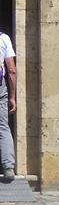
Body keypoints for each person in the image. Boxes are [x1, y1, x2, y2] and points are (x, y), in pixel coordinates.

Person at [0, 29, 16, 182]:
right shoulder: (3, 38)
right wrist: (12, 97)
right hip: (0, 88)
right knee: (3, 127)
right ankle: (8, 168)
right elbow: (11, 70)